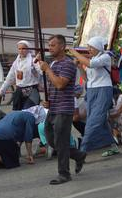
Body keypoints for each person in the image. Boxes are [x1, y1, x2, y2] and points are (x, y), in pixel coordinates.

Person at [37, 35, 87, 185]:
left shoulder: (68, 64)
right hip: (53, 107)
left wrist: (46, 69)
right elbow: (52, 87)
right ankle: (78, 155)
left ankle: (64, 173)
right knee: (51, 139)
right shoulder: (52, 64)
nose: (49, 48)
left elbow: (60, 84)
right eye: (49, 45)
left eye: (52, 45)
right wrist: (47, 101)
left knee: (61, 141)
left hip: (64, 109)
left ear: (61, 47)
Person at [69, 37, 119, 154]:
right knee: (99, 121)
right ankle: (111, 145)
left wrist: (75, 53)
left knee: (93, 122)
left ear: (97, 47)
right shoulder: (93, 58)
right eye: (88, 47)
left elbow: (91, 64)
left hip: (103, 90)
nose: (88, 49)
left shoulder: (105, 57)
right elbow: (86, 78)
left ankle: (82, 151)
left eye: (91, 47)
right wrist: (79, 66)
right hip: (91, 91)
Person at [0, 40, 40, 110]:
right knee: (17, 114)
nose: (21, 51)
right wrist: (0, 92)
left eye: (23, 48)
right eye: (19, 49)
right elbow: (9, 79)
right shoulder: (16, 63)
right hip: (19, 92)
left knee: (29, 112)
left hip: (32, 91)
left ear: (28, 49)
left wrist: (39, 62)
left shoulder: (33, 61)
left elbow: (42, 71)